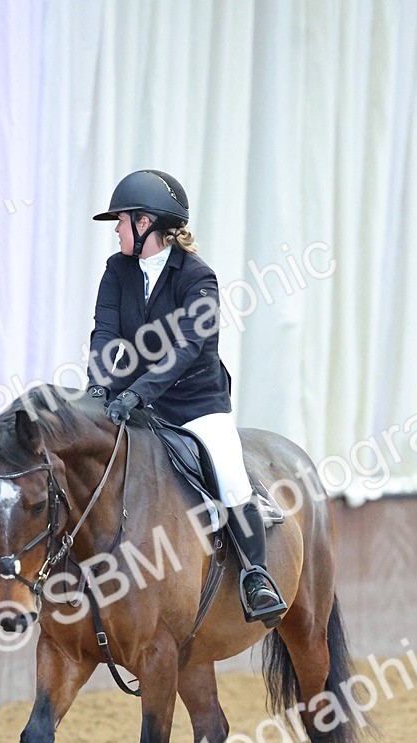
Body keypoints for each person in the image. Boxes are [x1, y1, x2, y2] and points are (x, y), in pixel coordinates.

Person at [86, 168, 287, 626]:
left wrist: (137, 394)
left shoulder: (198, 277)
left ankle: (256, 577)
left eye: (122, 220)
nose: (116, 229)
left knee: (232, 478)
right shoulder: (117, 269)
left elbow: (184, 350)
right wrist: (98, 385)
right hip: (131, 394)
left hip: (196, 402)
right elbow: (105, 331)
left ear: (147, 224)